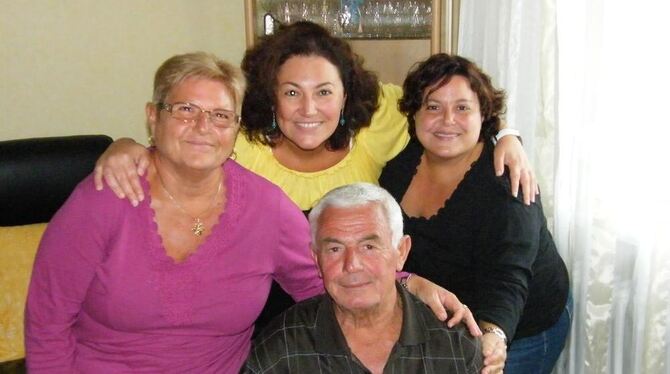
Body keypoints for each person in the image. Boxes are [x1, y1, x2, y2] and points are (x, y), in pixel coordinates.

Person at [24, 52, 476, 373]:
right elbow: (47, 324)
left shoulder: (264, 207)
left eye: (221, 116)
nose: (204, 127)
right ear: (152, 117)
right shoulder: (105, 197)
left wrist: (406, 281)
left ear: (236, 129)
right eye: (186, 110)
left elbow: (321, 277)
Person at [378, 53, 572, 374]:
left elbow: (508, 277)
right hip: (453, 319)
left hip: (524, 325)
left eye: (463, 108)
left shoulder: (507, 183)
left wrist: (494, 335)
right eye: (433, 106)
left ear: (485, 115)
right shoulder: (400, 167)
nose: (447, 120)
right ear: (414, 114)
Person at [243, 183, 483, 374]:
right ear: (316, 261)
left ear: (401, 251)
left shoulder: (454, 341)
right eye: (334, 249)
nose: (352, 265)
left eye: (368, 246)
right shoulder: (282, 346)